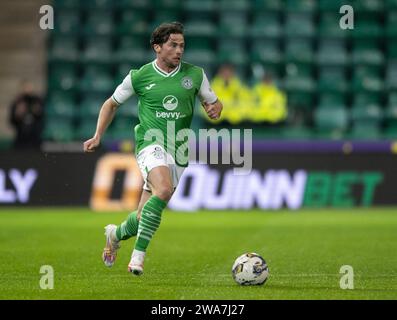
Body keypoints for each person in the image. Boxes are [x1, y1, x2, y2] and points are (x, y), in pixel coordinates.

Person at [83, 22, 223, 275]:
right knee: (164, 189)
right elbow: (110, 104)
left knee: (141, 217)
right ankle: (138, 257)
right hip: (150, 142)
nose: (179, 50)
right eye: (173, 45)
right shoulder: (139, 76)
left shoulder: (195, 75)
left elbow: (213, 103)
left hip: (179, 150)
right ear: (157, 47)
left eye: (182, 45)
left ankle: (115, 234)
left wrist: (215, 109)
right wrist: (97, 135)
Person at [9, 80, 44, 149]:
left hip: (35, 140)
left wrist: (37, 112)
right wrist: (18, 114)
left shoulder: (38, 101)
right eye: (26, 87)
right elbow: (12, 121)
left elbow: (43, 118)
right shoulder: (17, 102)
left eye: (29, 87)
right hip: (21, 140)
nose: (28, 89)